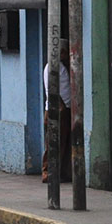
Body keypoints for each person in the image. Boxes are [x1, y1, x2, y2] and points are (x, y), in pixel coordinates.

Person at [43, 40, 72, 183]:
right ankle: (48, 172)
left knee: (63, 143)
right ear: (61, 52)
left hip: (65, 108)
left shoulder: (61, 67)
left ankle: (61, 172)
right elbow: (51, 88)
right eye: (65, 52)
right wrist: (60, 106)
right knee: (54, 143)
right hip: (57, 109)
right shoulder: (52, 67)